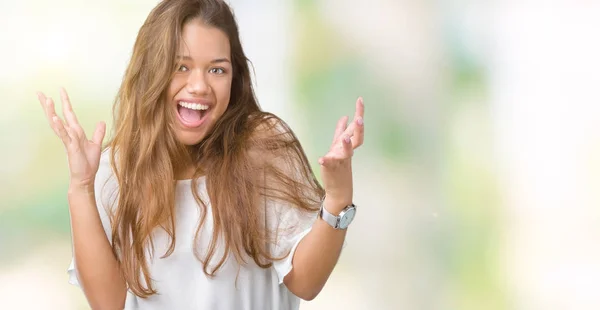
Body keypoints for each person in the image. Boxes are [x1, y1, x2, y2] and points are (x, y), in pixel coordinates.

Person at [36, 0, 364, 309]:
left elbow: (305, 282)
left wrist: (337, 197)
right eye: (181, 66)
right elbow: (109, 303)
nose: (199, 86)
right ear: (152, 72)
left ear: (234, 78)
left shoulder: (263, 147)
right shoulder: (117, 168)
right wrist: (81, 187)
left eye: (217, 70)